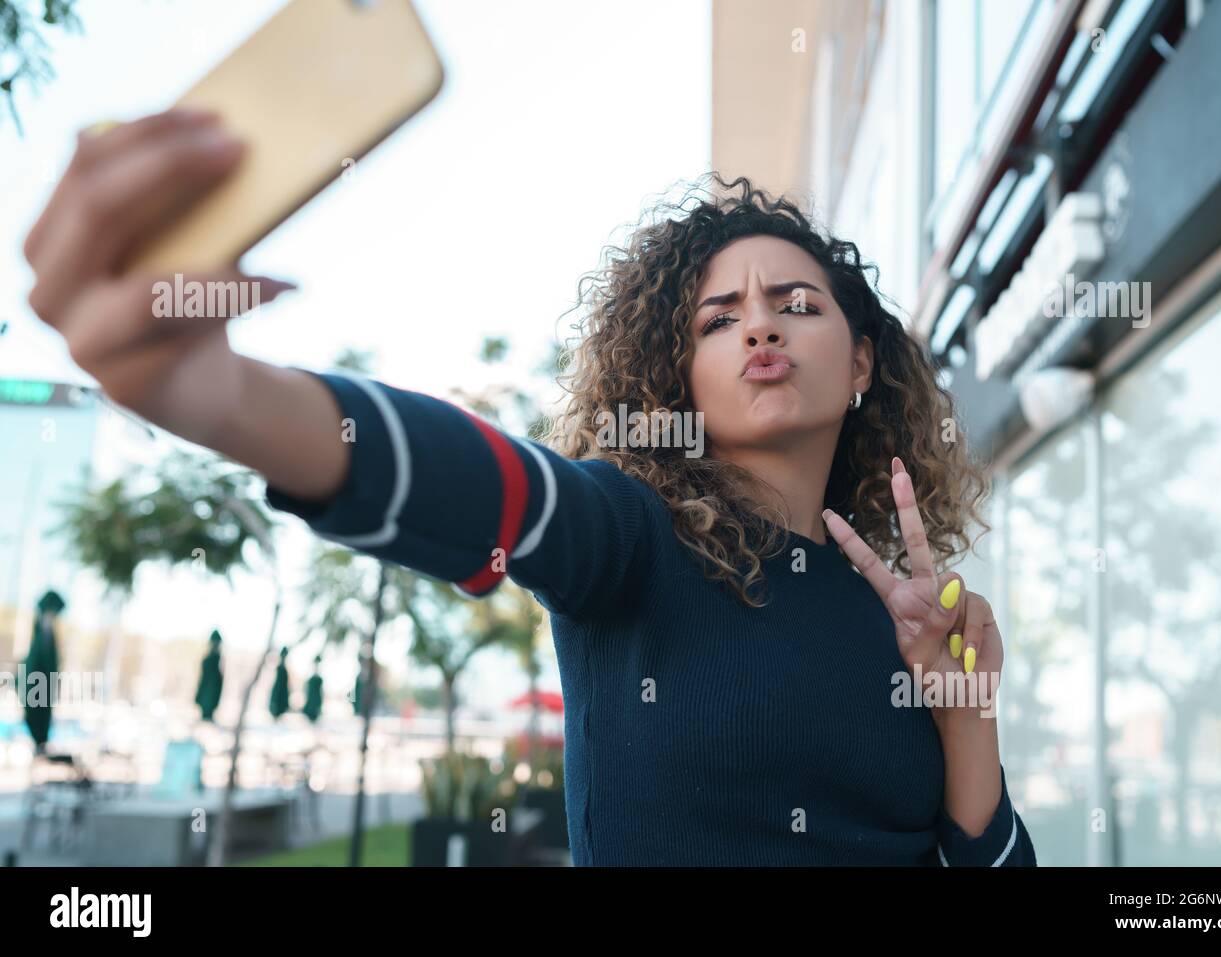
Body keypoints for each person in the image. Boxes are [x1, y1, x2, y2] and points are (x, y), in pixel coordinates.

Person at [23, 108, 1035, 866]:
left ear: (861, 364)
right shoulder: (628, 537)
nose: (759, 328)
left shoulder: (904, 619)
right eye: (717, 319)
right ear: (674, 376)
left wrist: (963, 716)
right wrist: (223, 396)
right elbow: (493, 488)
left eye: (794, 304)